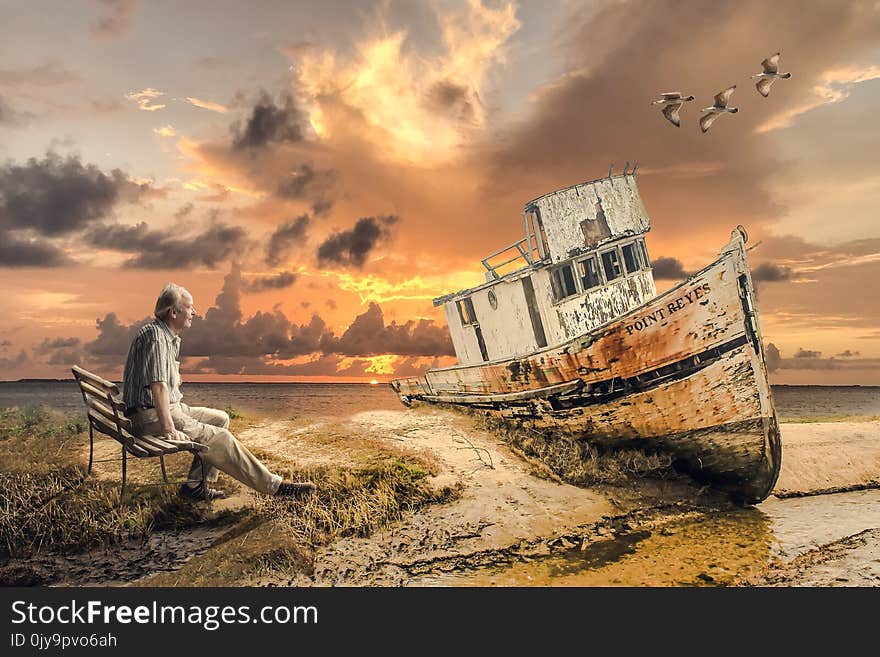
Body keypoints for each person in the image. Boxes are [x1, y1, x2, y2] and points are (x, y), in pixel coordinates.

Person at [122, 283, 315, 501]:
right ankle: (275, 487)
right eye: (189, 307)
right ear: (173, 312)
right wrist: (169, 429)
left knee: (220, 419)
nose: (194, 312)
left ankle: (195, 486)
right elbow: (158, 386)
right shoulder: (157, 337)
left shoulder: (164, 335)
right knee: (221, 438)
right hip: (150, 417)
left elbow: (164, 383)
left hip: (160, 410)